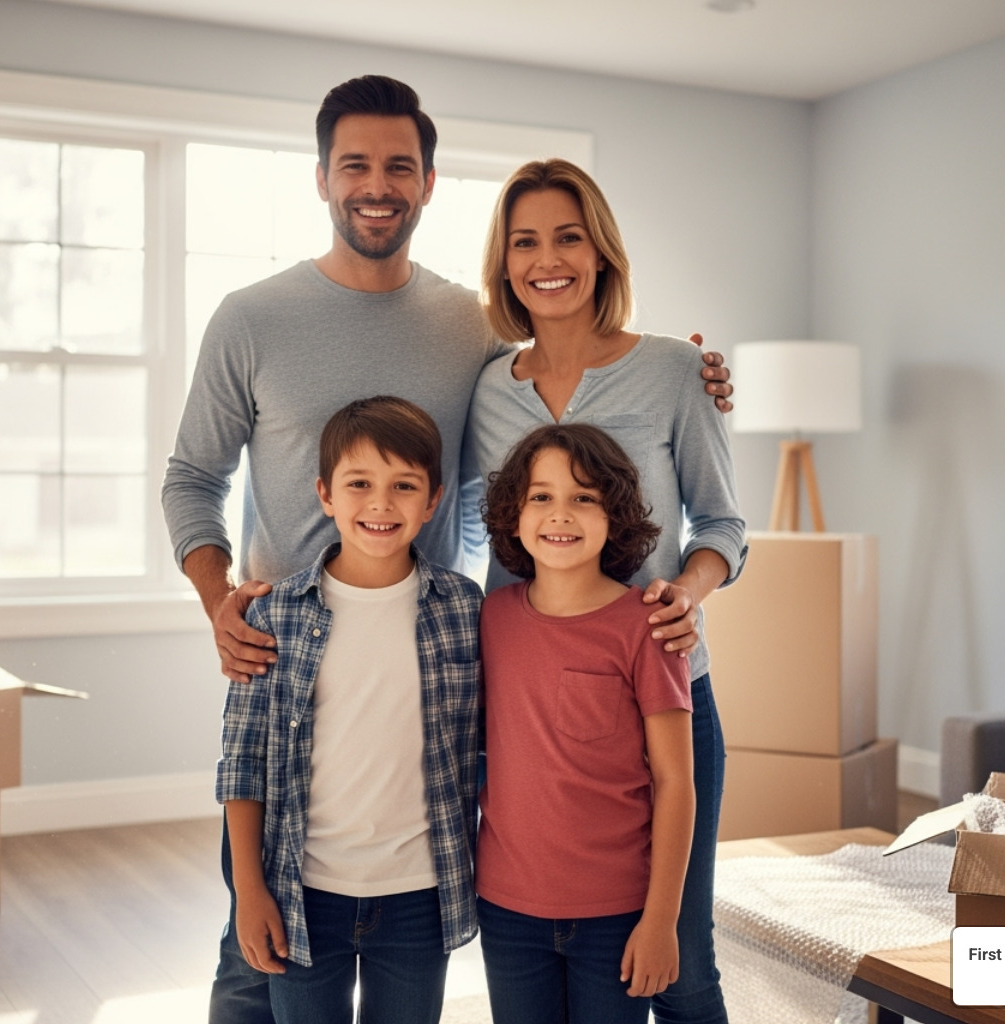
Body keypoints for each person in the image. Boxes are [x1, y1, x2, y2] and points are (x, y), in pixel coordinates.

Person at [161, 76, 730, 1024]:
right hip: (294, 665)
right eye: (355, 165)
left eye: (399, 167)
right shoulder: (251, 319)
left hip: (513, 662)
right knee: (253, 956)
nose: (376, 186)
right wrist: (220, 597)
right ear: (321, 179)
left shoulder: (474, 325)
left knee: (653, 946)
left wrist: (696, 372)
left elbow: (588, 360)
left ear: (428, 184)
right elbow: (190, 482)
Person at [462, 157, 746, 1024]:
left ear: (602, 252)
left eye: (568, 236)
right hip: (535, 712)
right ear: (504, 263)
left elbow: (724, 527)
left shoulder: (673, 370)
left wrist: (687, 595)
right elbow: (480, 533)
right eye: (525, 241)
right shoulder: (486, 390)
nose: (547, 258)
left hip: (661, 687)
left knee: (680, 963)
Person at [219, 396, 482, 1024]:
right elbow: (242, 764)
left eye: (404, 486)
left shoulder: (465, 611)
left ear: (434, 500)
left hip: (420, 893)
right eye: (359, 483)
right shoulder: (274, 614)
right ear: (325, 494)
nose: (381, 504)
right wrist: (249, 892)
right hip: (302, 892)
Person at [475, 423, 696, 1023]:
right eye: (540, 496)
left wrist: (661, 920)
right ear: (513, 515)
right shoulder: (490, 617)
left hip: (618, 913)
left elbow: (675, 783)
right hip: (506, 908)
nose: (560, 514)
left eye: (584, 497)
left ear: (614, 515)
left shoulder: (647, 627)